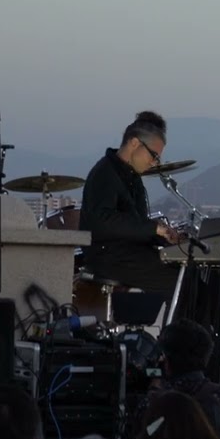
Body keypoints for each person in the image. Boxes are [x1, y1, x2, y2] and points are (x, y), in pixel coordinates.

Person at [79, 111, 203, 320]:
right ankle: (174, 336)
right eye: (153, 155)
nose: (154, 163)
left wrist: (166, 237)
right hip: (108, 257)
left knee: (191, 272)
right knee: (181, 281)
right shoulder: (104, 173)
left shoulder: (132, 177)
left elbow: (137, 224)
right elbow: (102, 220)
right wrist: (153, 228)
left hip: (130, 253)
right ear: (135, 143)